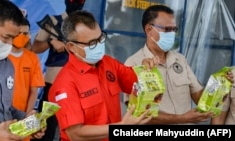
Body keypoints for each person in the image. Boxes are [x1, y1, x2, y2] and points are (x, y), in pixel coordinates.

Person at [47, 10, 161, 141]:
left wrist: (146, 68)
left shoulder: (108, 63)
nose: (99, 45)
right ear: (72, 47)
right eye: (92, 43)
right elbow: (75, 134)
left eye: (100, 38)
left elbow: (136, 83)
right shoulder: (64, 84)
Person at [123, 4, 227, 124]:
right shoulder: (133, 64)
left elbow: (200, 98)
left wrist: (220, 84)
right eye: (167, 29)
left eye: (174, 29)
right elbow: (137, 112)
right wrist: (182, 118)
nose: (172, 34)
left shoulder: (180, 60)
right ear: (149, 29)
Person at [0, 0, 45, 140]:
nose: (10, 44)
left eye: (14, 38)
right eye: (6, 37)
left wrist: (29, 122)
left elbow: (5, 108)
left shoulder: (6, 65)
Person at [31, 0, 86, 141]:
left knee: (72, 127)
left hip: (77, 85)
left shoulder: (85, 25)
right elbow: (35, 48)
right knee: (45, 128)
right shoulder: (54, 22)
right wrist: (51, 42)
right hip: (54, 83)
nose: (78, 3)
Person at [8, 18, 45, 115]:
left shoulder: (33, 58)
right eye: (19, 33)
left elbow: (34, 91)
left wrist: (27, 115)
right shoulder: (0, 56)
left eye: (25, 33)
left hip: (22, 114)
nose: (22, 36)